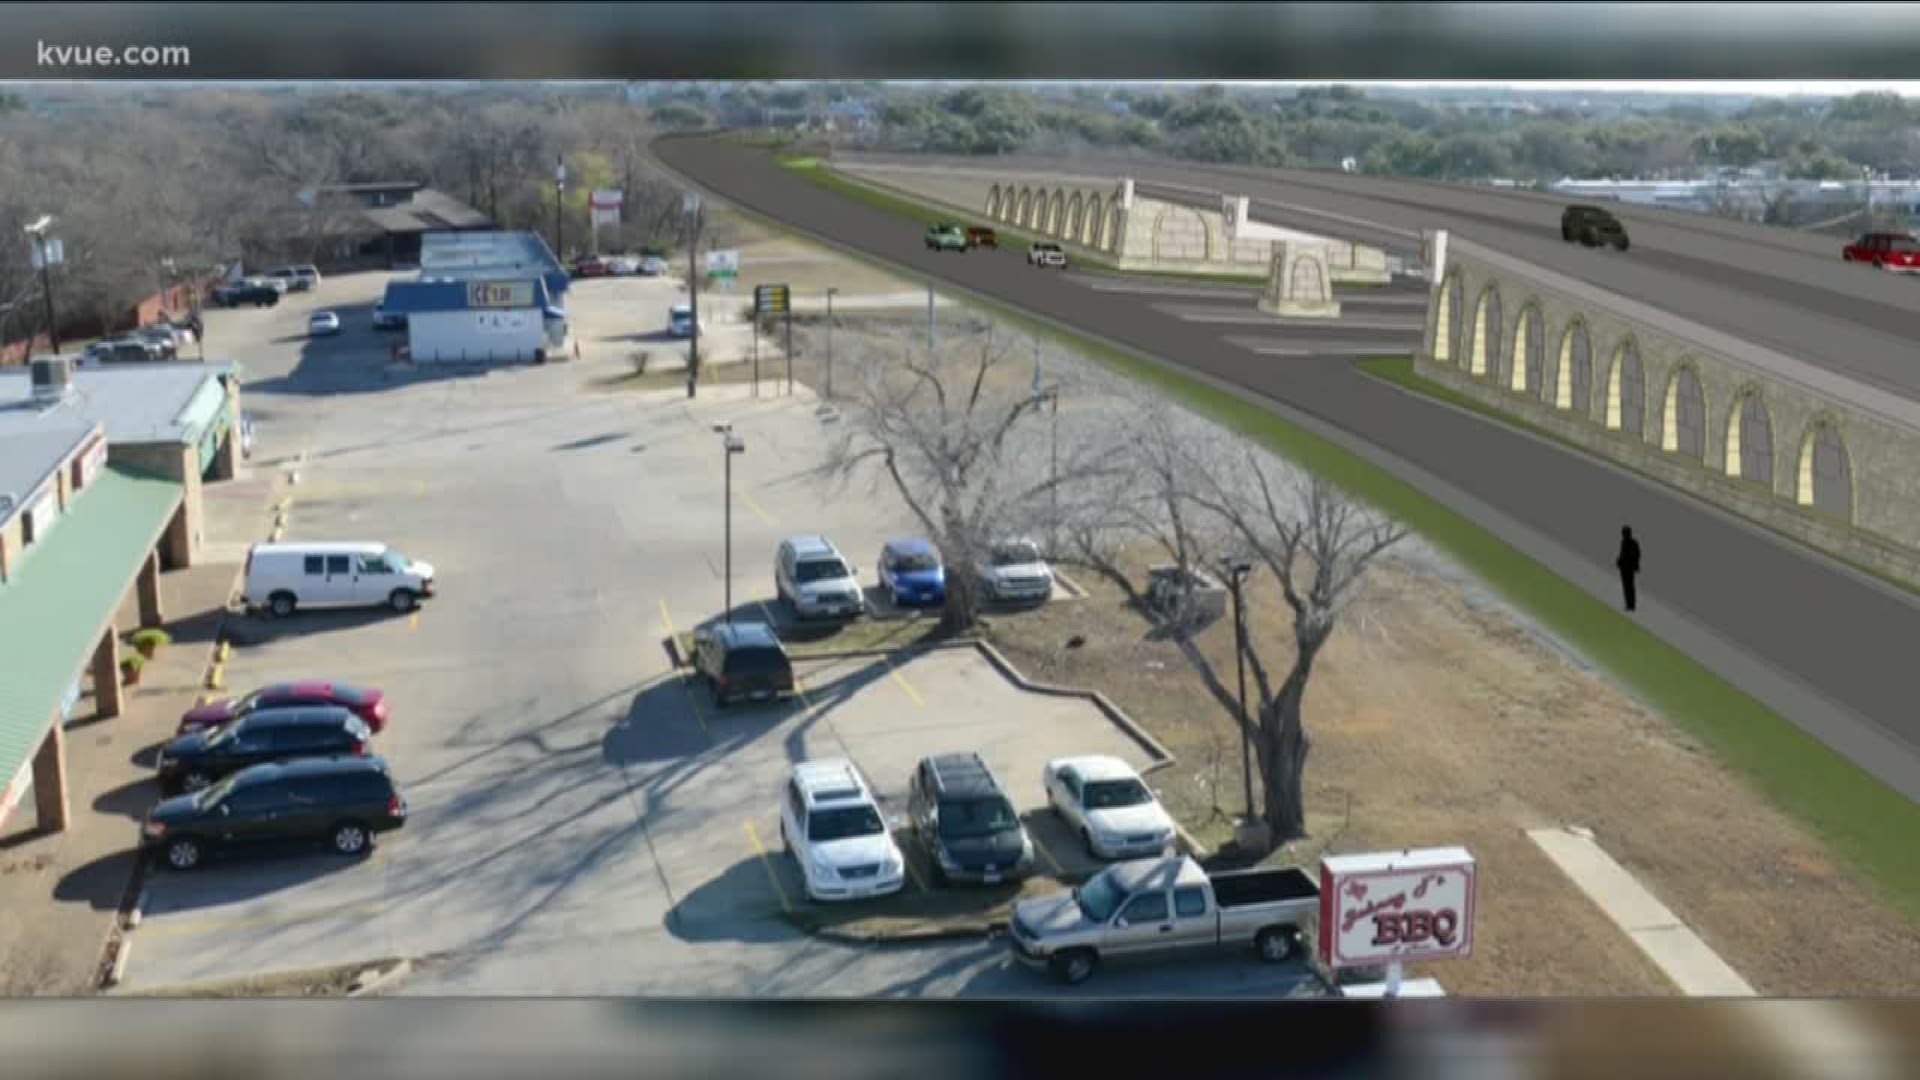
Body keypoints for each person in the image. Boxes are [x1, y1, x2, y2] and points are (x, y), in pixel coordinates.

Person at [1615, 526, 1642, 612]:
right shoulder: (1626, 542)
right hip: (1626, 567)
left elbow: (1632, 555)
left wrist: (1621, 561)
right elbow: (1623, 554)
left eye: (1624, 533)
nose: (1623, 535)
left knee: (1629, 586)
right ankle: (1630, 604)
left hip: (1628, 568)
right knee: (1627, 586)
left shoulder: (1630, 543)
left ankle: (1631, 605)